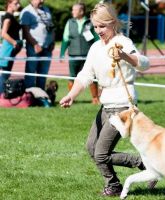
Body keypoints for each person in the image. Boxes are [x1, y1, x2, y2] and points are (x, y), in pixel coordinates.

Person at [60, 3, 155, 197]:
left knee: (101, 154)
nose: (98, 30)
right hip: (106, 106)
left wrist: (124, 56)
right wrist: (71, 95)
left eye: (102, 26)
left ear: (112, 23)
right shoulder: (95, 47)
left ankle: (142, 167)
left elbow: (145, 64)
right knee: (92, 148)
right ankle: (119, 180)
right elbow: (85, 74)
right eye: (95, 26)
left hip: (122, 107)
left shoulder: (123, 42)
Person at [60, 3, 100, 105]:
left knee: (92, 78)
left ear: (81, 11)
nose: (72, 12)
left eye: (75, 10)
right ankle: (71, 98)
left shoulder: (90, 23)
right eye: (72, 10)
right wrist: (62, 53)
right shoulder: (69, 22)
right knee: (72, 77)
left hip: (88, 56)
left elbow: (96, 38)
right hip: (73, 56)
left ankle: (95, 98)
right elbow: (65, 39)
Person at [20, 0, 55, 90]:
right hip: (34, 48)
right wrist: (35, 44)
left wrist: (52, 41)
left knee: (43, 74)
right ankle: (30, 96)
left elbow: (51, 27)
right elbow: (25, 31)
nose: (42, 1)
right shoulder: (26, 11)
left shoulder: (46, 9)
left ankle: (40, 97)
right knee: (31, 74)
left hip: (47, 47)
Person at [0, 0, 22, 95]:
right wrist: (14, 43)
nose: (18, 5)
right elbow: (3, 33)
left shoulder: (11, 16)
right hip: (7, 49)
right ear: (9, 4)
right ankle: (0, 95)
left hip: (10, 49)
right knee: (4, 75)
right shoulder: (8, 17)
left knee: (6, 74)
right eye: (16, 3)